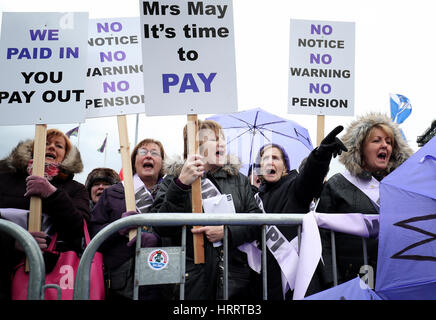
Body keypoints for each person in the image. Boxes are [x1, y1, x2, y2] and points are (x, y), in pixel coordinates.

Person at [151, 120, 262, 300]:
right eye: (213, 139)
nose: (221, 144)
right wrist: (181, 185)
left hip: (232, 278)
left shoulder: (238, 180)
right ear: (195, 146)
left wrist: (227, 232)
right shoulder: (175, 178)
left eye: (223, 139)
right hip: (191, 279)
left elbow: (256, 221)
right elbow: (161, 225)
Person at [316, 113, 413, 286]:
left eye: (389, 142)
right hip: (350, 281)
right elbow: (322, 240)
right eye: (376, 140)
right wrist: (333, 282)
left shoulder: (401, 187)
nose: (385, 145)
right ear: (359, 148)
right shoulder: (337, 184)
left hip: (394, 280)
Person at [255, 126, 347, 300]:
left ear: (284, 167)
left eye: (275, 158)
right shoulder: (255, 199)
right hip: (269, 279)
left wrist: (321, 155)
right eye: (265, 159)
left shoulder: (294, 187)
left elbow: (310, 177)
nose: (269, 162)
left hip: (299, 278)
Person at [0, 128, 89, 300]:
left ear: (66, 156)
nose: (51, 148)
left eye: (59, 146)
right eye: (46, 143)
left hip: (50, 276)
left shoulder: (76, 189)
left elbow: (79, 230)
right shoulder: (4, 179)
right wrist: (13, 241)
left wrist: (53, 194)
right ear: (33, 149)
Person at [89, 138, 166, 300]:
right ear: (133, 161)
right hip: (121, 282)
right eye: (143, 152)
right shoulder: (113, 193)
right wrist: (117, 228)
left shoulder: (171, 193)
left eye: (154, 153)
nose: (148, 156)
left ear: (162, 163)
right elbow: (94, 233)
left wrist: (158, 238)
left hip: (162, 277)